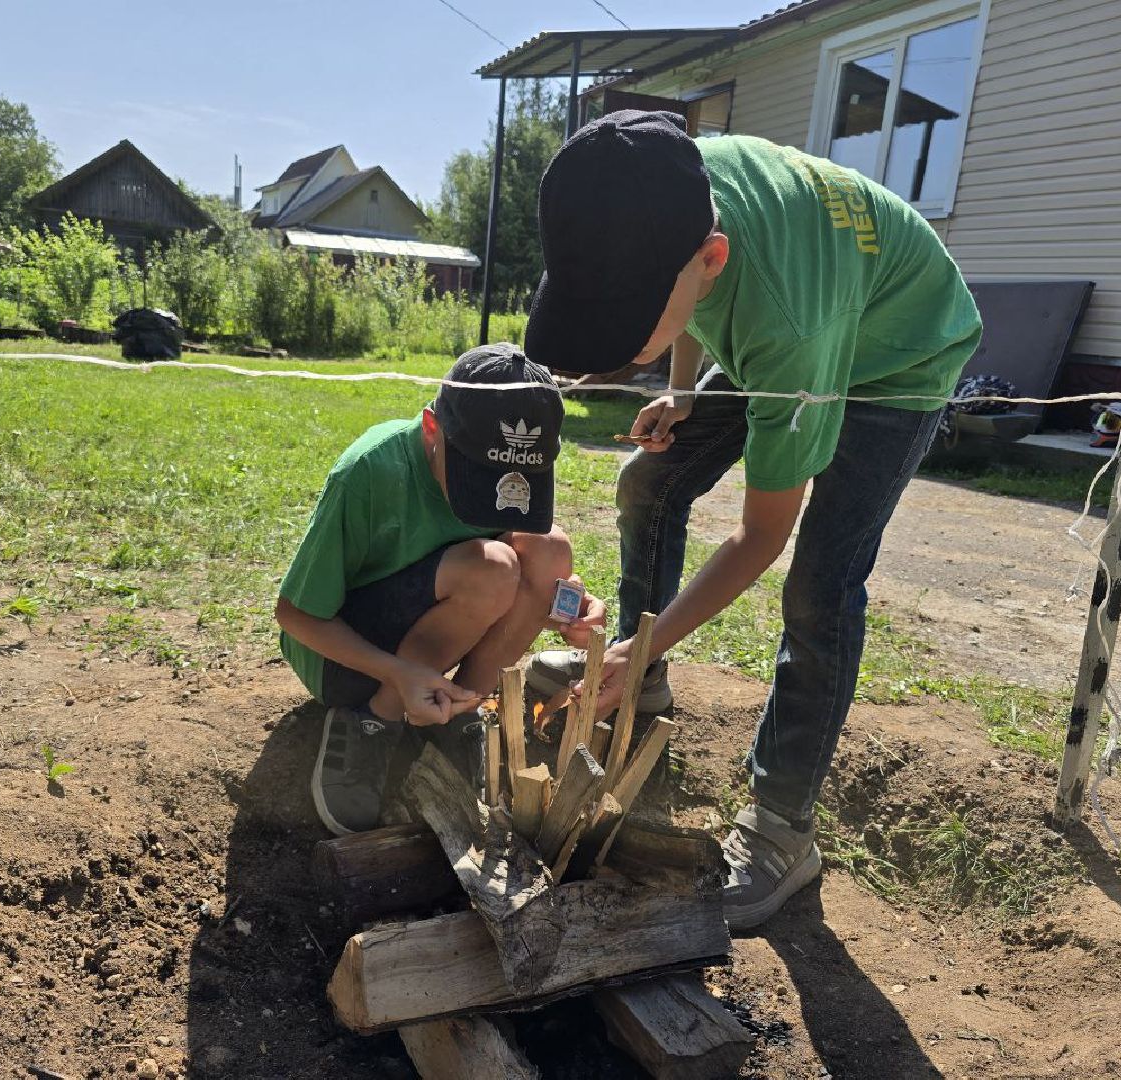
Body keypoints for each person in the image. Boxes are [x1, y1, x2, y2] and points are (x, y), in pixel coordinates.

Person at [524, 111, 982, 929]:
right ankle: (638, 676)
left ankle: (782, 831)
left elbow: (760, 536)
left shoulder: (785, 321)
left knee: (820, 586)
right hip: (795, 315)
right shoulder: (663, 184)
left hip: (893, 350)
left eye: (627, 325)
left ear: (711, 260)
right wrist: (685, 384)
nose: (617, 345)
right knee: (647, 482)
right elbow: (689, 297)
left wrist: (661, 631)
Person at [275, 343, 606, 836]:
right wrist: (397, 672)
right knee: (491, 568)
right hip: (345, 660)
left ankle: (460, 714)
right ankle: (373, 719)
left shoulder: (492, 469)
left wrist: (570, 603)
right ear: (433, 430)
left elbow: (537, 559)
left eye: (515, 480)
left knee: (549, 550)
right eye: (482, 479)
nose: (498, 496)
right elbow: (295, 615)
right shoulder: (370, 470)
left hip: (434, 642)